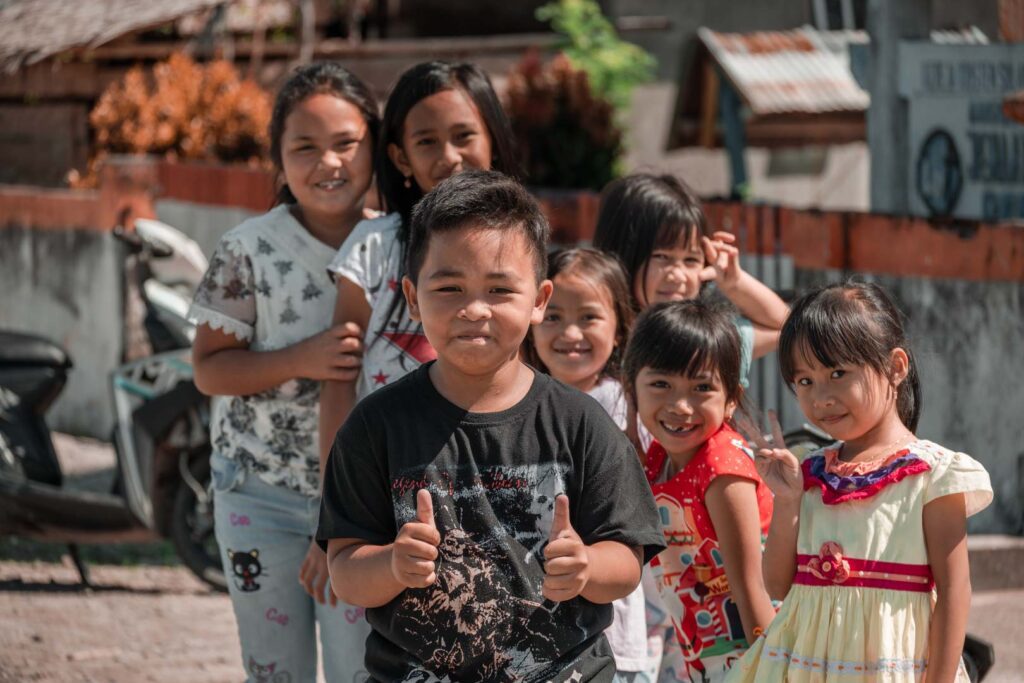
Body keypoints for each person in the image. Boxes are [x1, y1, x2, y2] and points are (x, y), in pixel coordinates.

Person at [317, 170, 666, 682]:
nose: (474, 309)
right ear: (413, 298)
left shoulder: (582, 424)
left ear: (539, 301)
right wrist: (392, 564)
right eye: (450, 287)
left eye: (500, 289)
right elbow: (344, 571)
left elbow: (628, 561)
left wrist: (587, 567)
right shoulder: (375, 426)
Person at [188, 63, 376, 683]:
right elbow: (209, 371)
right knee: (276, 670)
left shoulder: (401, 245)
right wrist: (303, 359)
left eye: (346, 143)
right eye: (305, 147)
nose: (329, 162)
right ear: (279, 157)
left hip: (362, 508)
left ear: (375, 143)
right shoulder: (249, 249)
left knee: (361, 670)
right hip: (258, 495)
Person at [727, 281, 993, 682]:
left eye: (838, 372)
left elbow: (955, 592)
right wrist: (788, 501)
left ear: (896, 367)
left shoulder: (933, 474)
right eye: (804, 381)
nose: (821, 397)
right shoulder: (808, 473)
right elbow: (778, 584)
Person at [318, 60, 521, 470]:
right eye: (427, 141)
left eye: (464, 135)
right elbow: (340, 378)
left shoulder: (522, 247)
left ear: (494, 141)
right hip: (386, 471)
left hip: (494, 471)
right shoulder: (373, 248)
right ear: (401, 157)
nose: (449, 156)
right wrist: (333, 504)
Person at [621, 301, 776, 681]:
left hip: (753, 657)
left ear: (731, 399)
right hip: (703, 657)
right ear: (632, 387)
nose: (680, 406)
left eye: (702, 388)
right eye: (661, 384)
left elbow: (751, 589)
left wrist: (774, 672)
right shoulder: (659, 456)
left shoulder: (723, 472)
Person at [523, 248, 655, 681]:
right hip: (532, 622)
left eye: (589, 317)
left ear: (619, 328)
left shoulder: (629, 406)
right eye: (555, 316)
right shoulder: (517, 404)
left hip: (614, 625)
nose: (570, 332)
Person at [592, 173, 789, 389]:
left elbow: (785, 327)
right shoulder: (595, 335)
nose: (678, 275)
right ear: (621, 254)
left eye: (691, 259)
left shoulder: (707, 341)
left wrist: (735, 282)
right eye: (662, 257)